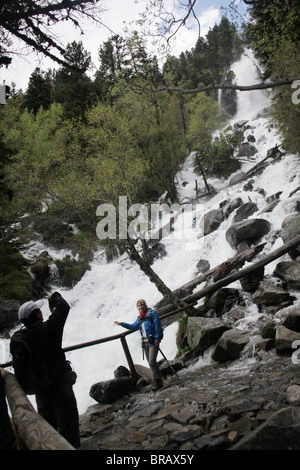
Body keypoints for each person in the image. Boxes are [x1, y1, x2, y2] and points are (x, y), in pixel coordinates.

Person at [10, 292, 80, 449]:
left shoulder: (20, 337)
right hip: (60, 386)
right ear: (37, 314)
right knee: (68, 425)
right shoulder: (49, 328)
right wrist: (53, 297)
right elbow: (64, 307)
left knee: (48, 427)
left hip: (40, 388)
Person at [115, 299, 163, 391]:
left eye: (141, 305)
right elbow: (133, 326)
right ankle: (156, 378)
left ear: (145, 305)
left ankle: (157, 380)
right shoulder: (140, 318)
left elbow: (158, 326)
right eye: (138, 306)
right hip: (145, 343)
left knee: (152, 361)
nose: (140, 307)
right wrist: (122, 324)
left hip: (153, 341)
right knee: (150, 362)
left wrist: (157, 338)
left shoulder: (152, 314)